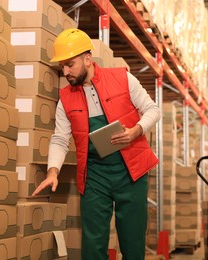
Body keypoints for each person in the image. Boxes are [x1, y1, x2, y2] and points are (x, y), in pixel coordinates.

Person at [32, 28, 160, 260]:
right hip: (94, 176)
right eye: (62, 66)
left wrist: (136, 131)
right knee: (92, 245)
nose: (66, 71)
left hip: (131, 171)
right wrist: (53, 171)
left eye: (70, 64)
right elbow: (60, 138)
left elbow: (153, 109)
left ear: (87, 59)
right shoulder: (65, 98)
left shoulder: (123, 78)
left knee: (132, 242)